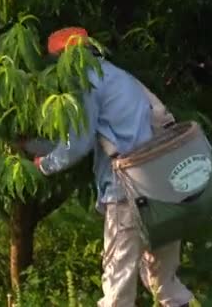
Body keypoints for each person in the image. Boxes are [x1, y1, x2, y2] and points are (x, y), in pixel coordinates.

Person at [32, 27, 198, 307]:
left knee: (117, 286)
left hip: (128, 193)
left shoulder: (85, 82)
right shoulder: (119, 76)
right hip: (163, 187)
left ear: (64, 59)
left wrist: (45, 164)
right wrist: (35, 146)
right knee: (164, 283)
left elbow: (78, 143)